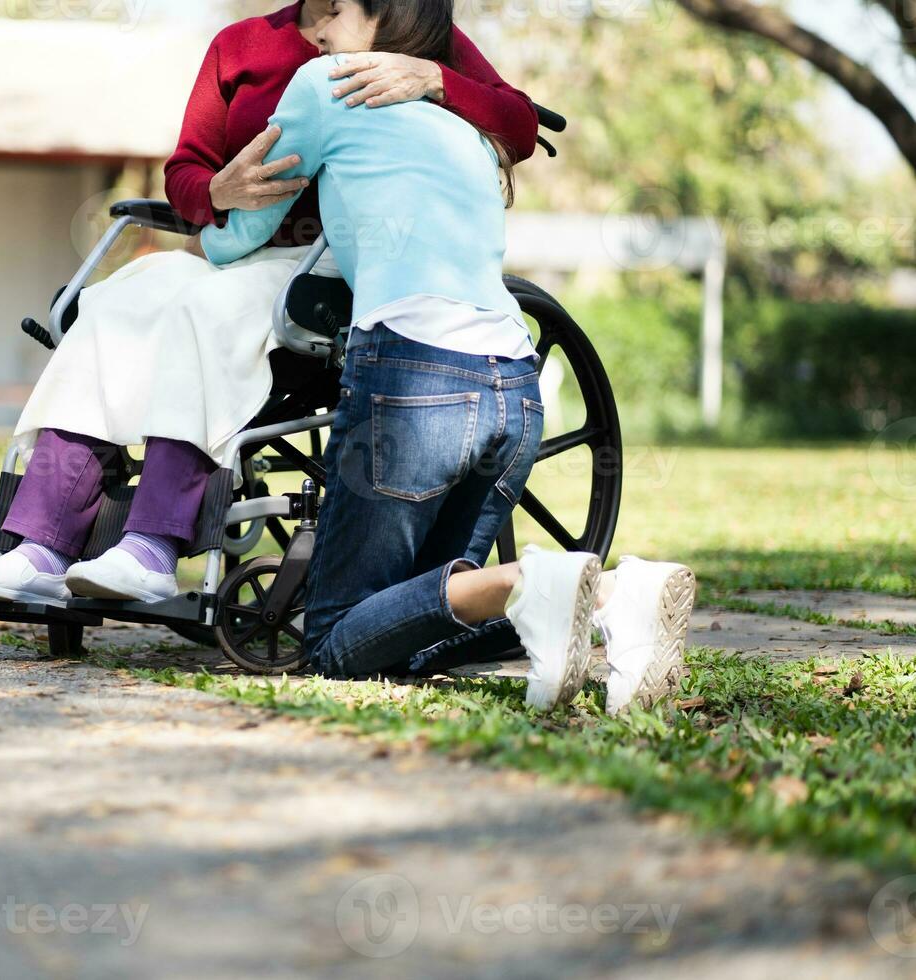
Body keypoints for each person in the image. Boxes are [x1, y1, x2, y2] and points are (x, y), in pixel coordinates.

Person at [0, 0, 537, 608]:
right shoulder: (242, 45)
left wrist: (435, 77)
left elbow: (518, 123)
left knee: (208, 309)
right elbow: (184, 170)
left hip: (334, 258)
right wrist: (214, 189)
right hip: (239, 246)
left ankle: (153, 545)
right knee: (113, 302)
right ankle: (41, 546)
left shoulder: (400, 24)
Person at [201, 0, 697, 714]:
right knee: (414, 623)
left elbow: (239, 232)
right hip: (516, 390)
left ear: (386, 14)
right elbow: (516, 121)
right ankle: (618, 596)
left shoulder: (323, 84)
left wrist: (212, 212)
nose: (315, 31)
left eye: (336, 11)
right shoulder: (468, 127)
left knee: (335, 641)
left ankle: (531, 586)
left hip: (412, 380)